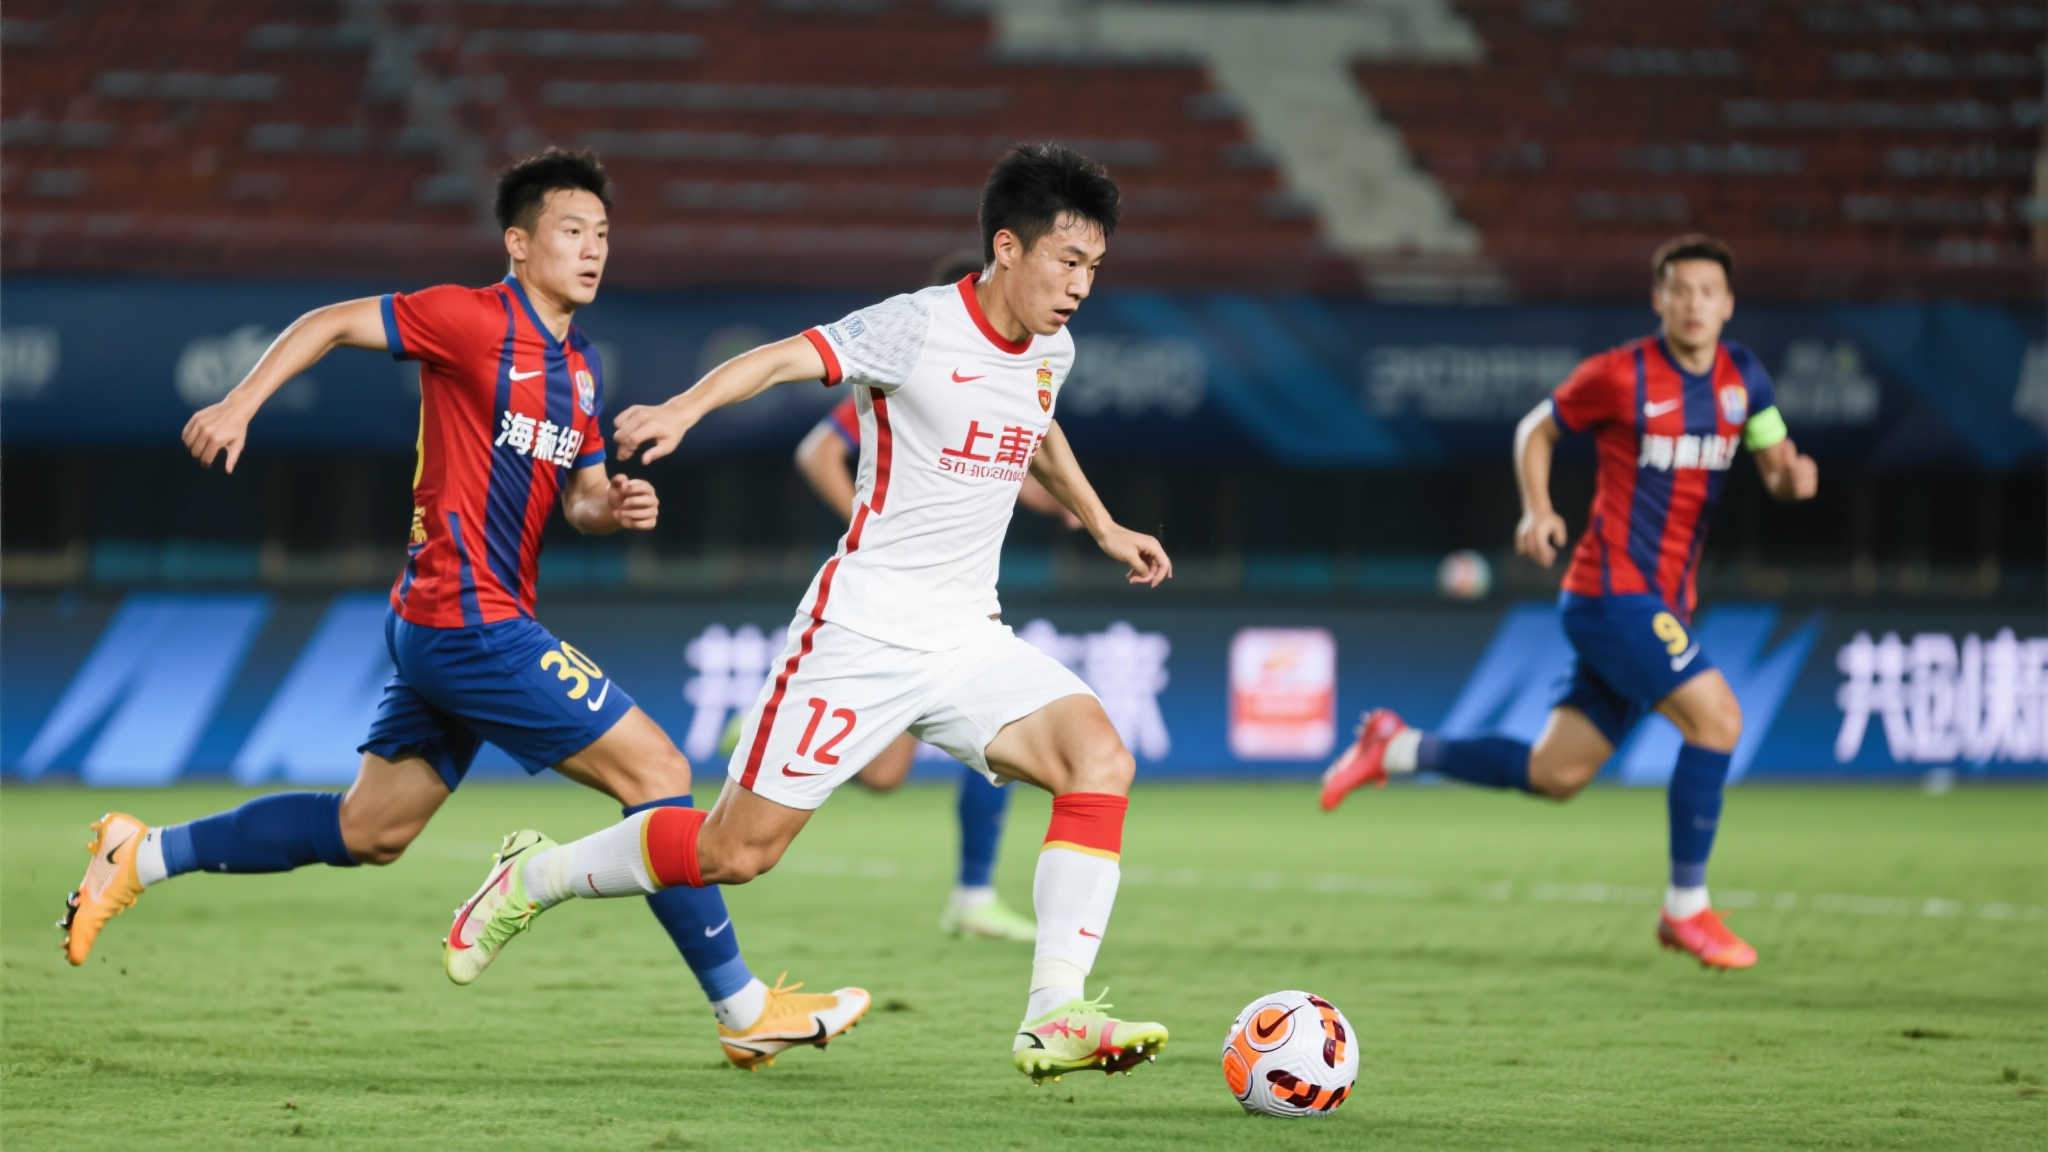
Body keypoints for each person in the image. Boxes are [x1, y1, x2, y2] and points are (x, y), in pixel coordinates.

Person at [61, 147, 867, 1068]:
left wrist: (614, 509)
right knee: (658, 770)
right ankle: (741, 1006)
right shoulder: (469, 320)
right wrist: (241, 402)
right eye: (572, 231)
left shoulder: (581, 367)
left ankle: (141, 854)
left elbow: (581, 499)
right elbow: (329, 323)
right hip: (469, 619)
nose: (593, 250)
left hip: (446, 624)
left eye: (603, 235)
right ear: (518, 244)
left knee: (370, 831)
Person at [443, 142, 1174, 1083]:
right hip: (861, 633)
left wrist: (1104, 525)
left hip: (968, 638)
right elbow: (784, 358)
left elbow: (1038, 427)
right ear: (1007, 247)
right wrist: (685, 409)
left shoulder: (1051, 348)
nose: (1080, 286)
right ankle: (534, 875)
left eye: (1094, 269)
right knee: (734, 852)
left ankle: (1055, 1013)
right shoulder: (915, 327)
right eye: (1068, 261)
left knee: (1099, 759)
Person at [1320, 233, 1819, 971]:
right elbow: (1537, 429)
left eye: (1708, 292)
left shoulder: (1745, 380)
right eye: (1680, 290)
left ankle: (1394, 746)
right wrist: (1537, 508)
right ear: (1658, 299)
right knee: (1718, 719)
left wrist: (1793, 479)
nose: (1693, 304)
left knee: (1555, 775)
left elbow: (1775, 463)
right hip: (1611, 591)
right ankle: (1686, 908)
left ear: (1728, 305)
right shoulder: (1621, 374)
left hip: (1663, 603)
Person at [777, 250, 1081, 943]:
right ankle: (773, 724)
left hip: (959, 600)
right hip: (884, 601)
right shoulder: (913, 368)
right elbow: (815, 452)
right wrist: (873, 524)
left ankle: (974, 895)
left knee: (1005, 727)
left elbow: (1011, 459)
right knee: (885, 777)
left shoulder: (1009, 378)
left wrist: (1068, 506)